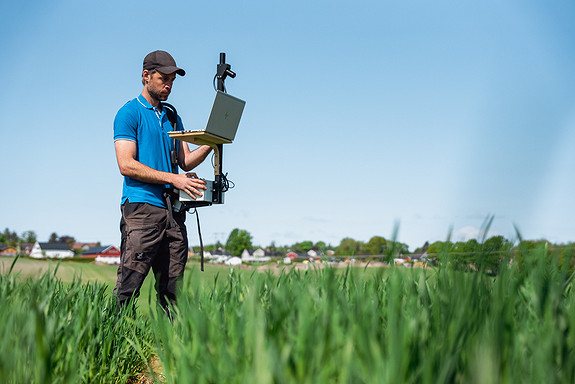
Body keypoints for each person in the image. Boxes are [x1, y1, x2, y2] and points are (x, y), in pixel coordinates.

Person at [113, 50, 211, 314]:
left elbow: (185, 161)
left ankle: (170, 348)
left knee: (173, 289)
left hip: (173, 213)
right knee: (129, 285)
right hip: (142, 209)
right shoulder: (129, 113)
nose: (168, 85)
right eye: (163, 78)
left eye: (172, 80)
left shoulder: (172, 117)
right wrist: (174, 179)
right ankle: (115, 344)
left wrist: (212, 142)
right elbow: (126, 164)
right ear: (146, 76)